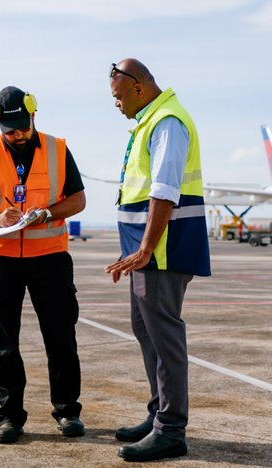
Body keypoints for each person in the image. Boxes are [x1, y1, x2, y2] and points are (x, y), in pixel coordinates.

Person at [0, 86, 87, 444]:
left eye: (21, 127)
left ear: (34, 115)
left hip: (49, 257)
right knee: (2, 342)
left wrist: (48, 213)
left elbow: (77, 199)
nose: (16, 134)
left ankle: (67, 412)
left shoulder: (57, 149)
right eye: (9, 129)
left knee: (61, 337)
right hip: (0, 258)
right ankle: (10, 418)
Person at [105, 59, 211, 462]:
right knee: (144, 329)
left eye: (117, 96)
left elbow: (164, 192)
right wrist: (131, 249)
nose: (115, 104)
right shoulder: (150, 122)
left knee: (164, 336)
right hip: (145, 251)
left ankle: (171, 430)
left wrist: (146, 247)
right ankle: (158, 413)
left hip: (164, 250)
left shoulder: (167, 122)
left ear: (137, 87)